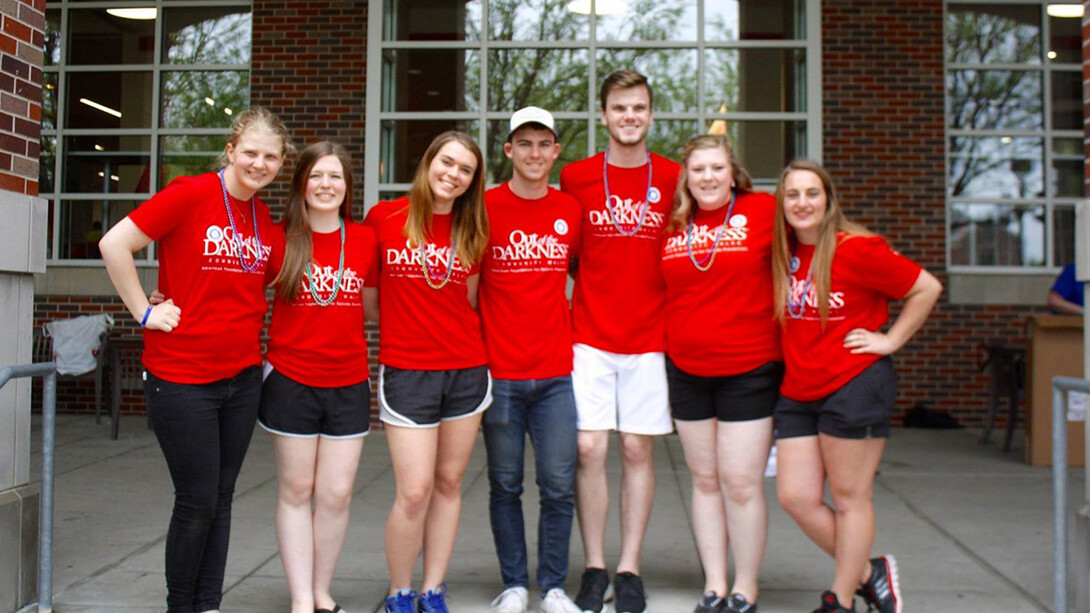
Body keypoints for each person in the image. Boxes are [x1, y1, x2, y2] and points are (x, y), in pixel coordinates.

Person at [98, 107, 290, 613]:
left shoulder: (262, 216)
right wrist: (144, 311)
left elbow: (261, 282)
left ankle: (208, 604)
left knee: (221, 499)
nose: (259, 163)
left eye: (270, 157)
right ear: (230, 150)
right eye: (250, 152)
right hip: (182, 378)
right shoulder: (190, 192)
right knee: (197, 500)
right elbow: (114, 243)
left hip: (242, 377)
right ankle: (181, 606)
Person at [770, 159, 942, 613]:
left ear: (828, 200)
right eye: (792, 195)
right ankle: (870, 573)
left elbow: (926, 287)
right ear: (781, 203)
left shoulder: (856, 249)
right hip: (799, 389)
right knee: (796, 498)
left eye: (812, 193)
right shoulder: (783, 252)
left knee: (850, 500)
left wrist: (890, 340)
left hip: (854, 384)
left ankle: (840, 599)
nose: (802, 203)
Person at [559, 69, 680, 613]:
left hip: (650, 336)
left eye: (638, 108)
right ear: (603, 116)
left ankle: (628, 566)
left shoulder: (675, 177)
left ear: (650, 115)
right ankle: (594, 566)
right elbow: (570, 256)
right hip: (589, 332)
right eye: (619, 108)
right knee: (589, 449)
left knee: (636, 448)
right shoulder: (577, 177)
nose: (629, 117)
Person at [363, 131, 491, 613]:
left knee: (449, 484)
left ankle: (433, 588)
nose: (453, 175)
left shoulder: (471, 228)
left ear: (472, 181)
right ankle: (399, 591)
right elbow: (372, 302)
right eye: (447, 162)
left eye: (465, 170)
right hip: (408, 370)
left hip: (465, 369)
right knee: (413, 491)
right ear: (428, 160)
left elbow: (471, 299)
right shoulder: (385, 218)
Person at [660, 135, 781, 613]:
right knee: (705, 479)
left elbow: (822, 242)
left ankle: (745, 587)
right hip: (687, 369)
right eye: (697, 170)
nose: (707, 177)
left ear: (733, 173)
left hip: (749, 369)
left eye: (716, 168)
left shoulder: (764, 211)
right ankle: (713, 584)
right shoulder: (673, 226)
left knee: (741, 483)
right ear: (686, 178)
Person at [261, 142, 377, 613]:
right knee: (295, 491)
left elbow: (376, 307)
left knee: (336, 493)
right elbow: (233, 286)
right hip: (291, 379)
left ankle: (323, 591)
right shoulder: (278, 239)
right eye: (316, 176)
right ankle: (301, 599)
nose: (325, 185)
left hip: (349, 380)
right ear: (301, 186)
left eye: (335, 177)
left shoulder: (366, 240)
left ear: (347, 187)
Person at [479, 107, 583, 613]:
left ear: (556, 151)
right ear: (509, 151)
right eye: (525, 144)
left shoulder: (571, 210)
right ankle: (516, 585)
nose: (535, 153)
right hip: (500, 373)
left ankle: (555, 586)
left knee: (559, 485)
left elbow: (587, 277)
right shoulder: (484, 207)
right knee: (504, 484)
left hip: (556, 375)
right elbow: (471, 290)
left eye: (544, 144)